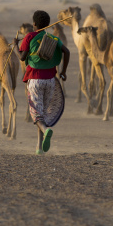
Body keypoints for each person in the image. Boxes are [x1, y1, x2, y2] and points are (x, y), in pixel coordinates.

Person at [14, 10, 70, 155]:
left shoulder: (29, 37)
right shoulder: (52, 38)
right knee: (42, 113)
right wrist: (63, 72)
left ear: (34, 23)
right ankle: (39, 148)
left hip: (35, 81)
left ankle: (46, 130)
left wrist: (14, 45)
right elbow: (67, 52)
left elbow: (21, 57)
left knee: (36, 113)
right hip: (50, 81)